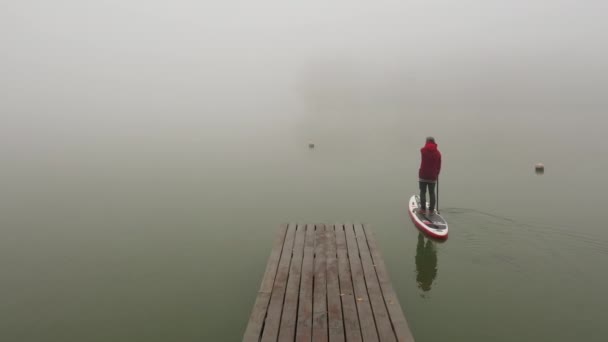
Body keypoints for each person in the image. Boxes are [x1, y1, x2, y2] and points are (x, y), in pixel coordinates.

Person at [418, 136, 441, 214]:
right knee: (432, 193)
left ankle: (423, 209)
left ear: (426, 142)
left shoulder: (423, 150)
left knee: (423, 192)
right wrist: (437, 174)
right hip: (432, 176)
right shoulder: (438, 154)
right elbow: (439, 166)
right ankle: (431, 210)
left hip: (423, 175)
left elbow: (424, 149)